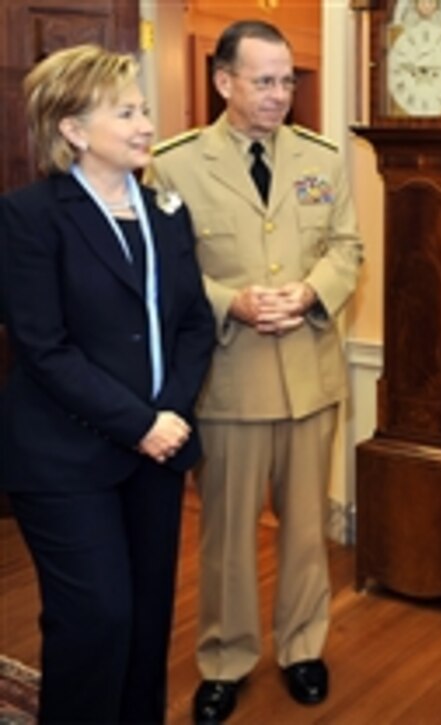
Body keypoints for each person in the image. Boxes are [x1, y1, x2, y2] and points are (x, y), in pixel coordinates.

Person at [145, 19, 362, 723]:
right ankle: (225, 659)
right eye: (263, 80)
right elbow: (162, 273)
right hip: (228, 383)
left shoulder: (323, 158)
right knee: (228, 540)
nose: (279, 94)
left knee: (306, 532)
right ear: (223, 82)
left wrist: (310, 292)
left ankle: (302, 649)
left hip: (309, 377)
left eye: (287, 80)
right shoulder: (175, 165)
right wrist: (228, 301)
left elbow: (347, 247)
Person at [0, 45, 214, 722]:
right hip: (64, 458)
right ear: (72, 128)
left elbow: (192, 327)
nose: (147, 124)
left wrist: (170, 414)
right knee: (96, 620)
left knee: (148, 622)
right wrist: (139, 423)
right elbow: (45, 349)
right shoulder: (28, 216)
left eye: (144, 109)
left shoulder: (165, 214)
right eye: (126, 112)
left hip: (155, 453)